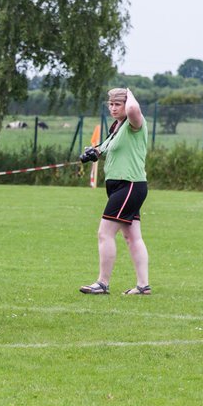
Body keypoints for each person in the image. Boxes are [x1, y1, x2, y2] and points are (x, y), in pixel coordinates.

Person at [79, 87, 150, 295]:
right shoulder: (116, 127)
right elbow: (106, 149)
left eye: (117, 104)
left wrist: (128, 92)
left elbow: (134, 107)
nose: (113, 108)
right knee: (132, 236)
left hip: (129, 185)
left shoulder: (134, 123)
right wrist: (94, 153)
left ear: (125, 104)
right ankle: (143, 285)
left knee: (104, 233)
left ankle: (102, 283)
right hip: (122, 186)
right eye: (110, 104)